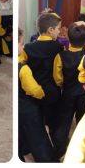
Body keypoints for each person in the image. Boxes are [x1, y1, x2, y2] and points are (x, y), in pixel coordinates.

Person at [22, 12, 64, 151]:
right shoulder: (58, 47)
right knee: (53, 122)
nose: (59, 31)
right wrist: (60, 85)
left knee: (37, 121)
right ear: (50, 30)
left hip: (34, 93)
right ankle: (58, 147)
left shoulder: (28, 47)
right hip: (52, 92)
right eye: (58, 28)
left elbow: (22, 66)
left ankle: (34, 147)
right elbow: (57, 74)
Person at [18, 28, 58, 162]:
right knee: (38, 136)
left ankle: (24, 148)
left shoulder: (27, 51)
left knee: (21, 131)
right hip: (27, 106)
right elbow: (34, 90)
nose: (23, 46)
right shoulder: (23, 69)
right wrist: (41, 94)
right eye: (21, 43)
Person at [53, 22, 85, 158]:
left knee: (63, 122)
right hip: (84, 94)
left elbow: (58, 78)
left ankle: (59, 150)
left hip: (68, 93)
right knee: (83, 122)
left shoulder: (60, 56)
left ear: (68, 38)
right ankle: (81, 151)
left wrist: (62, 85)